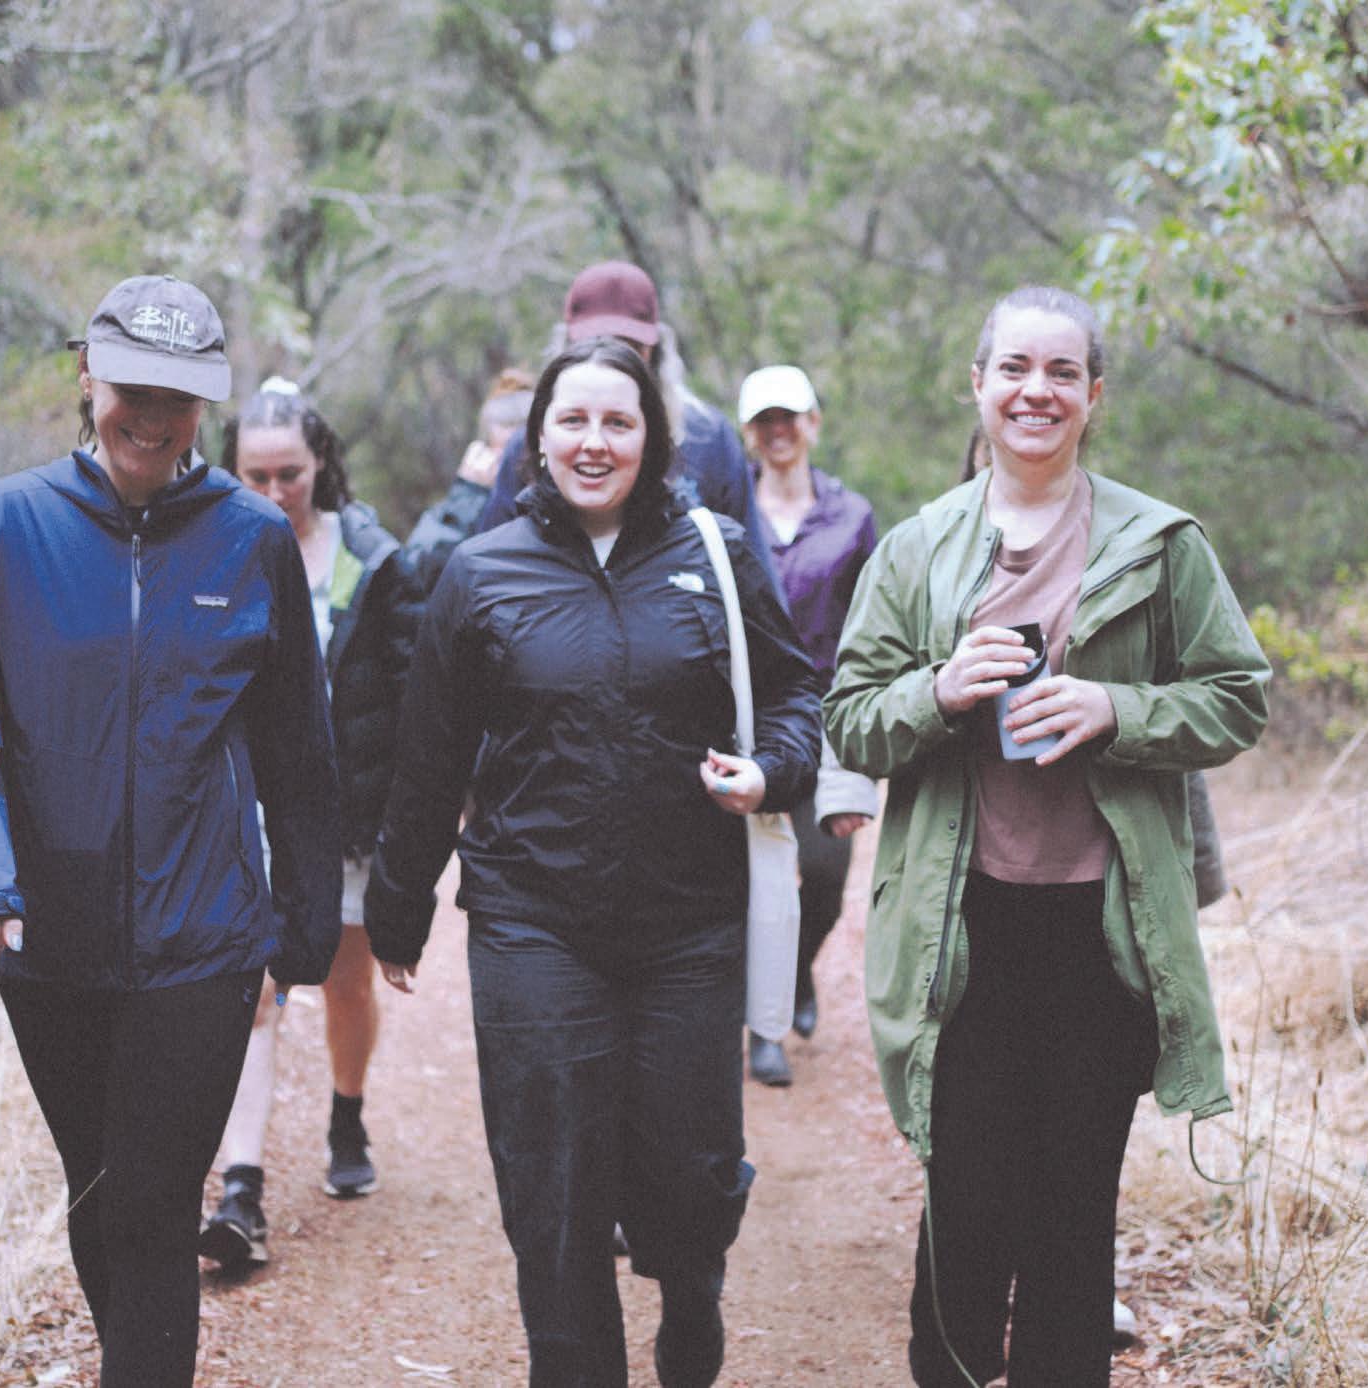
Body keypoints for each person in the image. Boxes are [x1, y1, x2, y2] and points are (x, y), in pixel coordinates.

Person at [823, 286, 1270, 1387]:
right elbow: (850, 720)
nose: (1038, 391)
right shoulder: (918, 549)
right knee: (966, 1203)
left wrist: (1118, 708)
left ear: (1094, 395)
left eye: (1062, 372)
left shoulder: (1160, 543)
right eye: (1015, 368)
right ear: (977, 385)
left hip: (1102, 928)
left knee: (1073, 1218)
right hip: (960, 925)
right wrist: (938, 689)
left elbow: (1238, 698)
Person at [0, 274, 341, 1386]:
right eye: (131, 389)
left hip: (202, 942)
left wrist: (304, 922)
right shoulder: (5, 525)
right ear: (86, 377)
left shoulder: (252, 539)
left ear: (207, 406)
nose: (150, 417)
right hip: (48, 939)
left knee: (151, 1204)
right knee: (101, 1194)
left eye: (178, 398)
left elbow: (298, 747)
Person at [365, 338, 820, 1387]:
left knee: (690, 1176)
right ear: (537, 439)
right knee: (555, 1189)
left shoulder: (715, 554)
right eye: (572, 420)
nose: (594, 442)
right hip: (534, 920)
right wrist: (397, 909)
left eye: (619, 421)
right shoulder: (481, 573)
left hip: (689, 921)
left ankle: (692, 1295)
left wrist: (771, 770)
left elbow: (796, 693)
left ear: (653, 438)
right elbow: (429, 757)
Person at [197, 378, 423, 1271]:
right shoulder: (210, 550)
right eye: (255, 476)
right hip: (243, 807)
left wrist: (402, 822)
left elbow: (405, 698)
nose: (273, 491)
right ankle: (241, 1189)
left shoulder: (371, 559)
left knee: (343, 982)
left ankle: (347, 1113)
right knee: (254, 991)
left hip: (346, 814)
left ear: (320, 463)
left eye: (288, 473)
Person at [736, 364, 878, 1088]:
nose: (779, 432)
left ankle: (795, 974)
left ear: (813, 423)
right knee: (756, 879)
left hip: (827, 718)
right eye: (765, 421)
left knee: (823, 875)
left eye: (789, 418)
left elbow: (874, 625)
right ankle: (763, 1028)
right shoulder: (727, 513)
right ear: (749, 434)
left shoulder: (852, 517)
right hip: (745, 721)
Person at [472, 260, 781, 591]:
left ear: (654, 351)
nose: (612, 359)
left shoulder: (706, 436)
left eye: (629, 346)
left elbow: (754, 576)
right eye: (596, 342)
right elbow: (488, 573)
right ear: (567, 349)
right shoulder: (531, 445)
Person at [404, 366, 536, 594]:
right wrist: (467, 495)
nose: (514, 467)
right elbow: (417, 575)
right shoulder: (467, 504)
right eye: (504, 454)